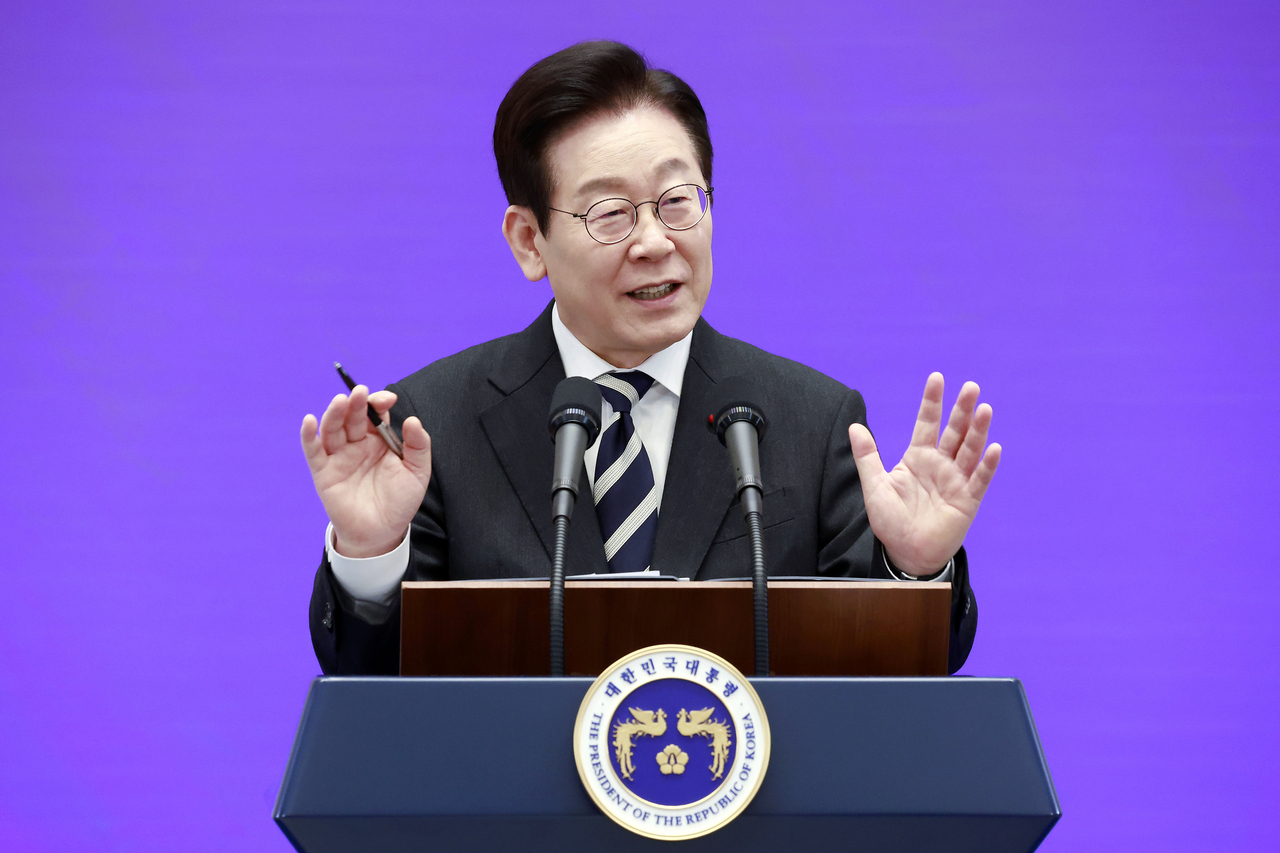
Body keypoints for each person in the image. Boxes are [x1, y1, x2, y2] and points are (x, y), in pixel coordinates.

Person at [300, 41, 1001, 676]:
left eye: (676, 201)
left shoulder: (813, 421)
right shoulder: (437, 425)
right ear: (528, 240)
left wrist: (913, 571)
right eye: (610, 212)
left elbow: (889, 680)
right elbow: (371, 678)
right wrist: (370, 555)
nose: (655, 241)